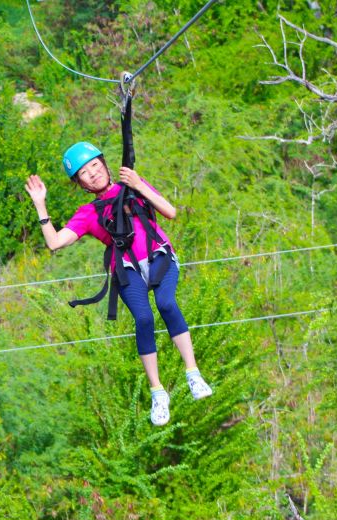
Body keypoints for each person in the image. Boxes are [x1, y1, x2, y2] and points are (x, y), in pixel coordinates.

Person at [24, 142, 212, 426]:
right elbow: (54, 242)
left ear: (105, 164)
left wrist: (139, 185)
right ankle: (158, 393)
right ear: (80, 183)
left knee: (166, 303)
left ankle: (193, 374)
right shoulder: (88, 212)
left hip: (158, 255)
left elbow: (170, 212)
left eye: (96, 166)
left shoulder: (131, 184)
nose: (93, 174)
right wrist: (40, 205)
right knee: (144, 319)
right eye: (85, 173)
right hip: (127, 270)